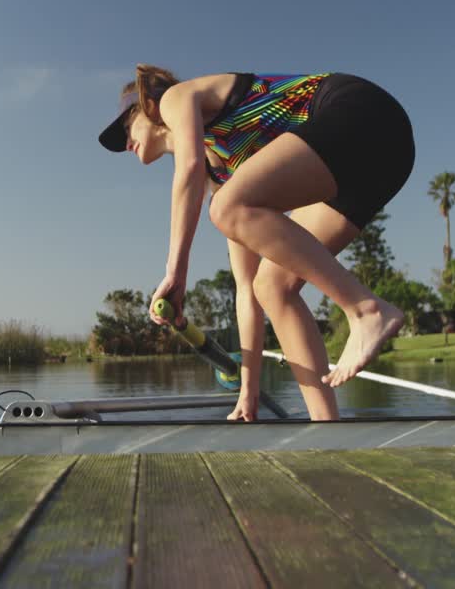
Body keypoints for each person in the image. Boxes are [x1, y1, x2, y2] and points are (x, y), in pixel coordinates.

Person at [98, 65, 415, 421]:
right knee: (270, 286)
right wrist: (248, 392)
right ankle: (327, 429)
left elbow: (188, 169)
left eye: (126, 126)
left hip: (365, 116)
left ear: (147, 105)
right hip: (374, 168)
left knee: (227, 207)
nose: (125, 144)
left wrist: (176, 272)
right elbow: (246, 291)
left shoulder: (176, 97)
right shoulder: (225, 176)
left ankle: (366, 310)